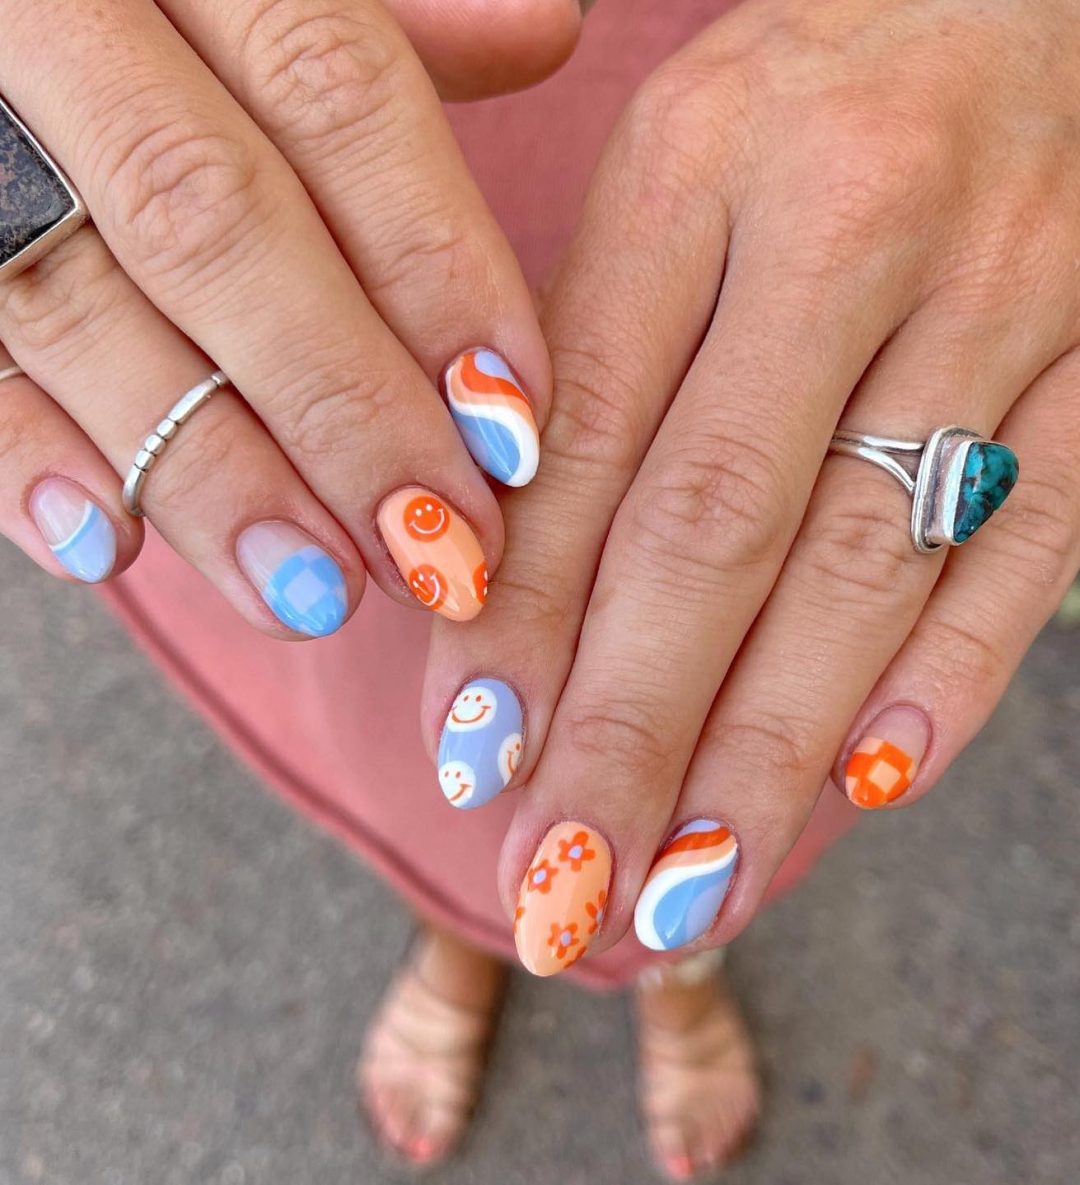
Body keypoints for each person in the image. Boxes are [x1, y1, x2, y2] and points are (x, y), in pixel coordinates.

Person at [2, 0, 1077, 1178]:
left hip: (875, 142)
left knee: (769, 673)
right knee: (402, 676)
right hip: (229, 189)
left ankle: (673, 962)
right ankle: (469, 929)